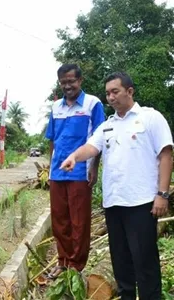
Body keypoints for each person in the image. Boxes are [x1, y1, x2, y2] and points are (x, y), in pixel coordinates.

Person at [60, 72, 172, 300]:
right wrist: (74, 156)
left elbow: (166, 154)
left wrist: (162, 194)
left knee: (145, 263)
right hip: (113, 203)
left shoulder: (150, 118)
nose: (110, 97)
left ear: (129, 91)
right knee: (121, 263)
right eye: (108, 93)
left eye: (115, 91)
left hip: (141, 203)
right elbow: (91, 147)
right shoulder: (107, 126)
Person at [45, 63, 106, 278]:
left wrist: (94, 167)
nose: (67, 86)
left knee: (79, 221)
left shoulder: (93, 104)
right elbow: (51, 139)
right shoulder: (56, 108)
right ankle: (63, 261)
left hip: (80, 172)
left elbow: (100, 139)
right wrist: (49, 166)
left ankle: (76, 265)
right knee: (59, 219)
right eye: (63, 82)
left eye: (71, 81)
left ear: (80, 81)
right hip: (57, 172)